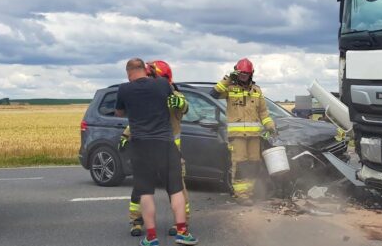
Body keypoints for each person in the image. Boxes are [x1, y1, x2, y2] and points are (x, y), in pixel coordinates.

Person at [115, 58, 197, 246]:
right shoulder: (161, 86)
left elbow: (184, 107)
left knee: (150, 191)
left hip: (146, 147)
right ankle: (144, 222)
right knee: (172, 190)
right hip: (166, 146)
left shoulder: (170, 91)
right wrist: (126, 134)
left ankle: (156, 235)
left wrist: (180, 103)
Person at [210, 58, 277, 205]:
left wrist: (270, 125)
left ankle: (249, 192)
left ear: (251, 74)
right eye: (241, 74)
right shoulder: (230, 89)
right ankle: (241, 195)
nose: (243, 76)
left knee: (254, 164)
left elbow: (264, 113)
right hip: (237, 136)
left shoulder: (257, 91)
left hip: (254, 136)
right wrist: (228, 78)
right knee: (240, 165)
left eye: (246, 74)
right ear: (236, 73)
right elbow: (214, 93)